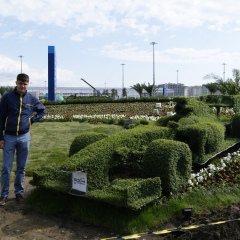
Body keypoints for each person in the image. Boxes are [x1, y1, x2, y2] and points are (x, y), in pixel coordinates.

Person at [0, 73, 46, 205]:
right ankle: (3, 195)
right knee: (6, 168)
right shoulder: (7, 98)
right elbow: (1, 117)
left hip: (24, 137)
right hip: (8, 136)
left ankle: (19, 192)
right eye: (20, 83)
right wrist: (0, 137)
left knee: (21, 167)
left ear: (28, 84)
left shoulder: (31, 98)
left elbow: (42, 110)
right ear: (16, 83)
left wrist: (32, 121)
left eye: (25, 84)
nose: (23, 86)